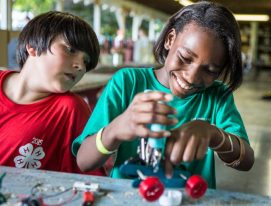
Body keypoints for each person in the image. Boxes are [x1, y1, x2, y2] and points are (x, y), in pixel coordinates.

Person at [72, 1, 254, 188]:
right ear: (170, 39)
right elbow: (84, 162)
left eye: (210, 70)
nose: (191, 77)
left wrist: (214, 134)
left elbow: (246, 162)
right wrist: (116, 129)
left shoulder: (217, 96)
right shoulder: (128, 82)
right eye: (185, 58)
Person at [0, 11, 106, 175]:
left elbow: (92, 183)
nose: (81, 66)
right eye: (70, 50)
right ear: (32, 47)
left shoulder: (70, 109)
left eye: (86, 62)